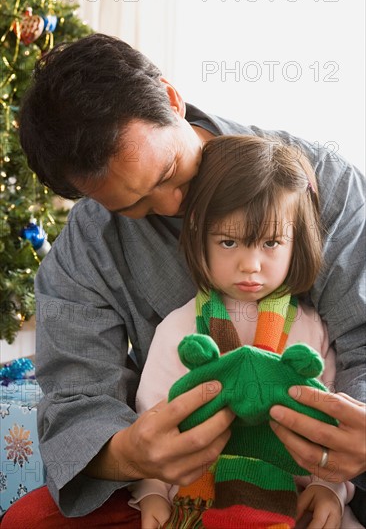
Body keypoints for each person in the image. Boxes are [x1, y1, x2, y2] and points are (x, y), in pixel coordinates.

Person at [2, 33, 364, 527]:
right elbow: (75, 394)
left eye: (170, 171)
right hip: (180, 481)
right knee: (29, 520)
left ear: (172, 99)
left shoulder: (323, 182)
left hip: (311, 473)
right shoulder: (89, 243)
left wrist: (337, 467)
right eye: (132, 206)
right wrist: (131, 456)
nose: (173, 207)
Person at [128, 135, 361, 529]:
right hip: (197, 496)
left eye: (271, 243)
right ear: (200, 238)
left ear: (296, 242)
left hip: (295, 497)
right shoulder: (180, 328)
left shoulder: (312, 327)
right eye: (229, 242)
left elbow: (329, 423)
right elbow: (153, 422)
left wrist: (331, 489)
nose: (250, 265)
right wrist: (150, 490)